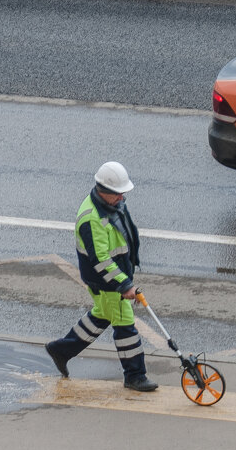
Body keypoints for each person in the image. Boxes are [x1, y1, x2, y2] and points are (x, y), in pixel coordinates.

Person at [45, 162, 158, 392]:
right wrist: (124, 284)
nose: (122, 197)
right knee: (125, 327)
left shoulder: (112, 205)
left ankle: (61, 349)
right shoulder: (92, 219)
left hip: (114, 278)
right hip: (107, 283)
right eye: (118, 193)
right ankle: (135, 375)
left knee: (102, 316)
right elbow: (101, 260)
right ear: (103, 190)